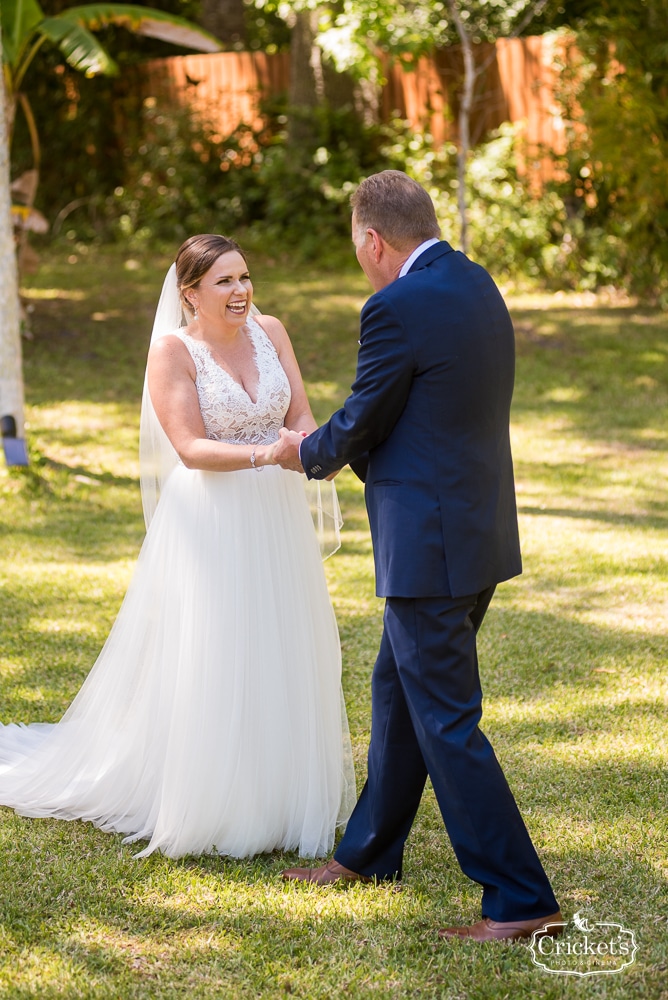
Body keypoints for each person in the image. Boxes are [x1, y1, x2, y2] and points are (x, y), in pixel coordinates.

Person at [274, 171, 562, 942]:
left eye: (357, 248)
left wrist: (302, 451)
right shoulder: (474, 282)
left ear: (374, 240)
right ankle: (368, 854)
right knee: (398, 694)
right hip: (475, 533)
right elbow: (432, 412)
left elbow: (367, 417)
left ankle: (521, 897)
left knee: (446, 720)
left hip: (429, 544)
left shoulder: (394, 306)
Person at [0, 234, 355, 860]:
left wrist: (314, 445)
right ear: (189, 293)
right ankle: (217, 801)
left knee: (278, 642)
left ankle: (276, 794)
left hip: (275, 516)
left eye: (244, 277)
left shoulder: (272, 330)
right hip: (211, 522)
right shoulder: (173, 352)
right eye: (224, 282)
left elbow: (299, 412)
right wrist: (267, 453)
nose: (241, 291)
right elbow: (189, 448)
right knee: (218, 652)